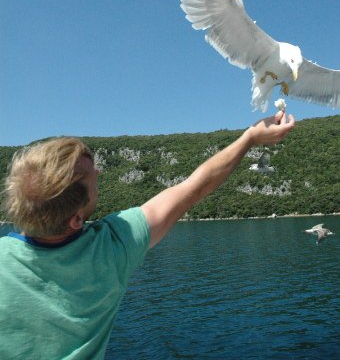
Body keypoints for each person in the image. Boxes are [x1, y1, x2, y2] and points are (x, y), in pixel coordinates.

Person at [0, 111, 295, 359]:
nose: (100, 173)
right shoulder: (114, 246)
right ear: (76, 219)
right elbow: (195, 186)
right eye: (92, 180)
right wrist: (249, 138)